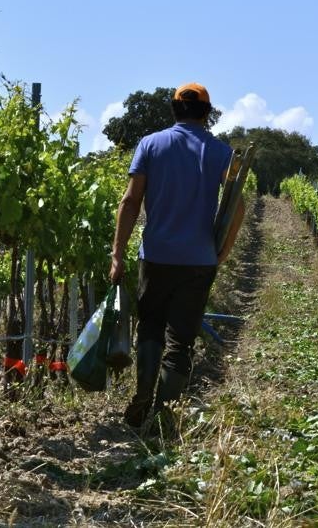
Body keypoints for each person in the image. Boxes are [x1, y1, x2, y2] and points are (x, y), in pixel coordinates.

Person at [109, 82, 233, 428]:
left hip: (156, 256)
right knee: (181, 342)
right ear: (207, 114)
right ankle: (163, 418)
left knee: (150, 327)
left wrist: (117, 253)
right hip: (198, 260)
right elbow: (236, 204)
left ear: (174, 110)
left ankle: (143, 396)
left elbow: (131, 201)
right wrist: (223, 250)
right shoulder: (221, 152)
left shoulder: (151, 144)